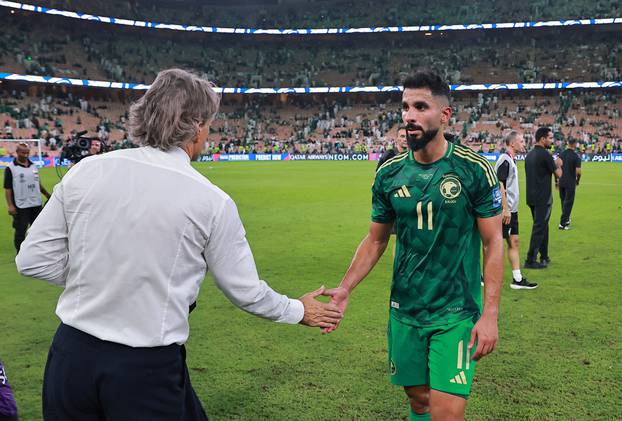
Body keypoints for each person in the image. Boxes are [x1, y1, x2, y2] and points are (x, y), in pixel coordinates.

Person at [15, 68, 342, 421]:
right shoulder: (210, 200)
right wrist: (299, 310)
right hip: (143, 369)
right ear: (198, 126)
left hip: (69, 357)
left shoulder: (87, 170)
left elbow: (32, 259)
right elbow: (245, 291)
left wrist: (102, 275)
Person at [324, 70, 504, 421]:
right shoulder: (389, 173)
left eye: (421, 106)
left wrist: (491, 313)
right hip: (404, 308)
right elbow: (376, 239)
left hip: (455, 311)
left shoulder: (474, 170)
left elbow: (493, 241)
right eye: (405, 107)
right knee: (419, 401)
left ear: (445, 114)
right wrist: (345, 288)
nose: (409, 115)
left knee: (446, 414)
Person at [495, 132, 538, 290]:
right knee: (496, 244)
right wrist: (505, 209)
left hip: (512, 210)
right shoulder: (504, 160)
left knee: (514, 242)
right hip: (505, 211)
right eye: (521, 141)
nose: (523, 144)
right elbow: (500, 184)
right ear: (512, 144)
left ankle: (517, 279)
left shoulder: (510, 159)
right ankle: (484, 276)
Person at [524, 127, 562, 269]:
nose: (552, 141)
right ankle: (530, 260)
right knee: (539, 228)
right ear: (543, 139)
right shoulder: (545, 155)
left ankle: (544, 256)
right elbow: (559, 174)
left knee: (542, 227)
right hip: (543, 198)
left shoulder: (530, 155)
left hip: (531, 197)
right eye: (550, 138)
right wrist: (558, 164)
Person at [3, 143, 51, 252]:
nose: (25, 155)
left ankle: (36, 251)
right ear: (17, 152)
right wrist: (10, 205)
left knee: (38, 229)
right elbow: (8, 188)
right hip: (21, 205)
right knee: (21, 231)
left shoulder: (33, 166)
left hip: (36, 204)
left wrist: (47, 194)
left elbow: (37, 183)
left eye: (27, 153)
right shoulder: (11, 168)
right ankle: (20, 253)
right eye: (23, 153)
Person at [557, 139, 582, 230]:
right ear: (574, 144)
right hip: (570, 182)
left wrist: (557, 180)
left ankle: (566, 219)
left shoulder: (561, 154)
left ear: (568, 144)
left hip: (561, 181)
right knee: (568, 203)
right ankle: (563, 224)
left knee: (563, 201)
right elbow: (578, 172)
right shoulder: (576, 156)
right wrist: (578, 181)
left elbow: (557, 166)